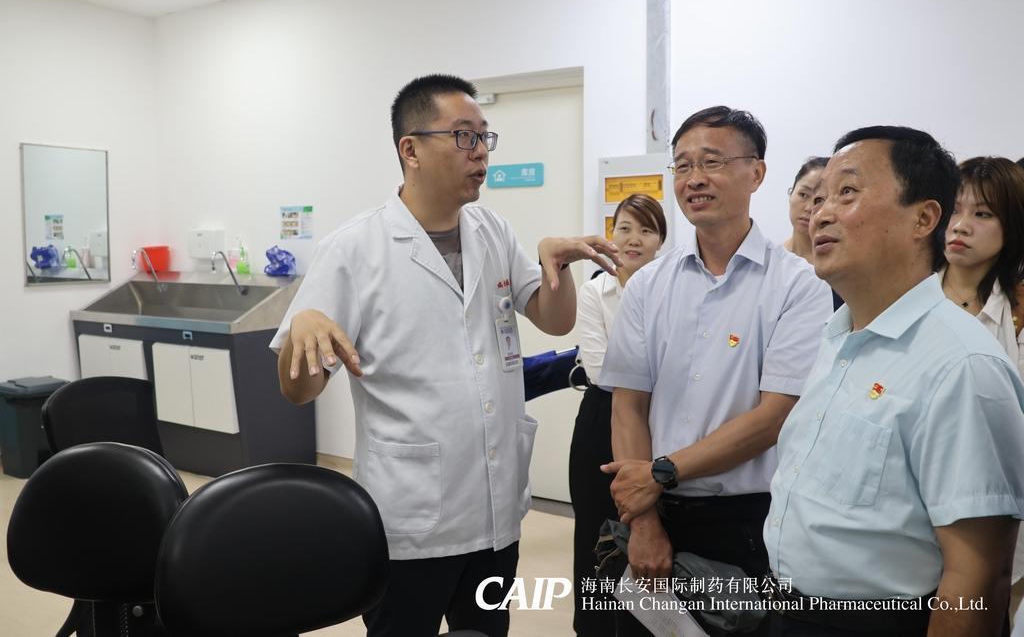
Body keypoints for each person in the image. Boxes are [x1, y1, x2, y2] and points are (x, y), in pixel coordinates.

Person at [270, 74, 621, 637]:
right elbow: (298, 390)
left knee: (486, 632)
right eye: (463, 136)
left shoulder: (492, 229)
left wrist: (555, 268)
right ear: (410, 149)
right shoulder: (355, 248)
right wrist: (301, 331)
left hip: (496, 511)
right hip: (411, 522)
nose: (480, 151)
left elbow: (553, 318)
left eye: (484, 136)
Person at [763, 127, 1024, 636]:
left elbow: (975, 577)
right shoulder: (837, 337)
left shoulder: (962, 365)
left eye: (847, 192)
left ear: (923, 219)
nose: (821, 213)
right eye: (818, 198)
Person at [598, 106, 833, 636]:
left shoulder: (799, 286)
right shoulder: (648, 284)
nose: (694, 179)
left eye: (711, 162)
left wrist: (661, 472)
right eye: (682, 166)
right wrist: (644, 520)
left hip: (749, 523)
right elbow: (628, 405)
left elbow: (775, 416)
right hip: (653, 510)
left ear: (756, 173)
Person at [569, 193, 667, 636]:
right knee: (594, 532)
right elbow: (598, 369)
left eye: (646, 230)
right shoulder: (595, 291)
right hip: (601, 419)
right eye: (625, 228)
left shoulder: (672, 290)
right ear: (612, 235)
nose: (634, 239)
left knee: (649, 530)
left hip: (658, 422)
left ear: (660, 240)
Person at [939, 156, 1024, 612]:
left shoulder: (1016, 312)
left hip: (996, 515)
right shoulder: (905, 297)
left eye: (983, 213)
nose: (961, 225)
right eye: (954, 209)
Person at [783, 156, 829, 263]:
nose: (809, 208)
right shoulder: (771, 258)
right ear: (791, 193)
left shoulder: (841, 264)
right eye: (803, 195)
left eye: (819, 200)